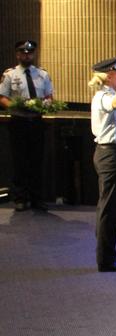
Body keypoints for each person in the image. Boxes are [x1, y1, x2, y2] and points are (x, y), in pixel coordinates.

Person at [88, 56, 116, 272]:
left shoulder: (105, 95)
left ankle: (107, 255)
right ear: (110, 75)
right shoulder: (103, 96)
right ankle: (106, 259)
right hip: (110, 154)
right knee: (110, 208)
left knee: (112, 207)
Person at [0, 40, 53, 211]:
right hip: (18, 122)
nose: (27, 55)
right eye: (23, 53)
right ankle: (20, 198)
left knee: (37, 161)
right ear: (17, 54)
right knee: (19, 161)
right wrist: (16, 106)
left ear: (34, 54)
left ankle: (37, 198)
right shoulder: (10, 75)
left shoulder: (42, 75)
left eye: (30, 53)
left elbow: (49, 96)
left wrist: (43, 104)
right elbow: (3, 97)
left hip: (37, 122)